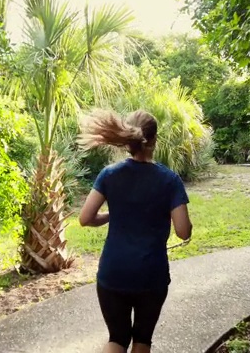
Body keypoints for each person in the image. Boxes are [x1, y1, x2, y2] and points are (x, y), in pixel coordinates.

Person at [77, 110, 193, 353]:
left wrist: (113, 214)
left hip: (113, 273)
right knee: (142, 339)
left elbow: (85, 218)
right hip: (151, 276)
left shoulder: (109, 174)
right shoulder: (169, 180)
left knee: (117, 338)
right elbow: (183, 231)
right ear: (154, 140)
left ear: (128, 140)